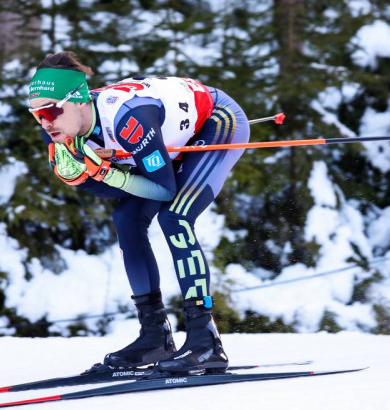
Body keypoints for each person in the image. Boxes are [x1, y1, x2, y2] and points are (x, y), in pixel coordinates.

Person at [27, 51, 250, 374]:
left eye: (50, 110)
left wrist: (102, 172)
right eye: (36, 114)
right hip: (163, 139)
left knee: (175, 215)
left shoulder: (128, 119)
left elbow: (164, 190)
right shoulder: (67, 129)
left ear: (78, 101)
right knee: (126, 219)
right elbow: (120, 190)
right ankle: (155, 336)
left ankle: (205, 340)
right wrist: (84, 179)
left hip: (216, 120)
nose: (45, 122)